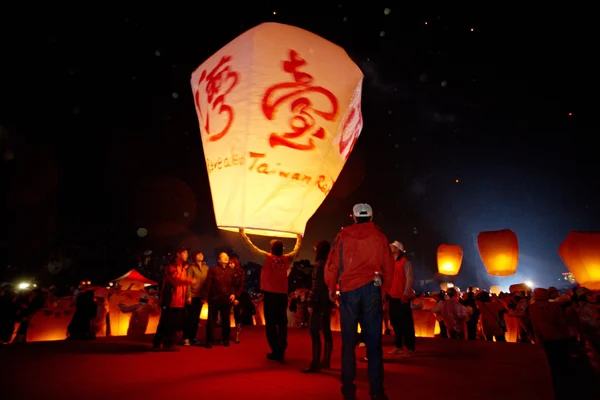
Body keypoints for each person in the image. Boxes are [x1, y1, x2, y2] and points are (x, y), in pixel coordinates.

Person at [324, 203, 394, 400]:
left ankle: (348, 390)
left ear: (354, 217)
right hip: (372, 288)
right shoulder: (380, 237)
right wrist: (384, 291)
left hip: (349, 291)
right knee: (373, 343)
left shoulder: (343, 236)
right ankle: (377, 392)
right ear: (371, 217)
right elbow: (389, 268)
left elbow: (332, 264)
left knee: (348, 343)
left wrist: (331, 287)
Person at [239, 228, 302, 362]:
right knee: (282, 322)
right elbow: (297, 251)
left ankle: (276, 350)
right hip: (282, 296)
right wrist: (299, 238)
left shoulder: (265, 258)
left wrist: (243, 234)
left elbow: (251, 247)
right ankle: (281, 346)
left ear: (272, 249)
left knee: (271, 324)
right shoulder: (287, 259)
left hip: (270, 296)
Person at [152, 247, 195, 351]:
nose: (186, 255)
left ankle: (167, 343)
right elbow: (175, 280)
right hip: (170, 299)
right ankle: (158, 343)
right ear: (178, 254)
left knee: (173, 323)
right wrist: (189, 280)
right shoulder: (171, 266)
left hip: (179, 301)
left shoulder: (183, 267)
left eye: (187, 253)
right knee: (165, 322)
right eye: (184, 253)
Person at [302, 240, 334, 373]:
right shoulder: (330, 264)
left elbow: (316, 286)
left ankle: (315, 362)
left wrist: (311, 303)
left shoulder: (319, 265)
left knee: (313, 330)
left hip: (319, 302)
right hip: (327, 301)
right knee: (326, 331)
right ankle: (326, 359)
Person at [387, 241, 416, 357]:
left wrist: (405, 293)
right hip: (393, 297)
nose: (391, 248)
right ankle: (398, 346)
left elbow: (409, 279)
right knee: (395, 323)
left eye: (393, 247)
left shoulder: (406, 262)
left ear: (398, 249)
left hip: (402, 297)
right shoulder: (390, 263)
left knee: (406, 323)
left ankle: (410, 348)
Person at [204, 252, 236, 348]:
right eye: (224, 257)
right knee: (211, 320)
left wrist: (233, 294)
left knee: (226, 320)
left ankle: (225, 339)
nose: (226, 258)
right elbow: (208, 283)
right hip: (214, 298)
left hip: (226, 299)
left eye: (227, 257)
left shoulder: (231, 271)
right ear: (218, 260)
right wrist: (205, 296)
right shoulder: (213, 270)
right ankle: (209, 340)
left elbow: (233, 284)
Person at [182, 251, 209, 346]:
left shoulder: (206, 268)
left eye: (202, 254)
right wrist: (188, 296)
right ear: (194, 256)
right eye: (198, 254)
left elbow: (208, 282)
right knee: (190, 318)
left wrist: (206, 296)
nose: (201, 255)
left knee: (196, 318)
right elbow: (188, 282)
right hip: (192, 296)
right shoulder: (191, 267)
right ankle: (186, 338)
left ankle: (193, 338)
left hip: (201, 296)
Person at [229, 255, 246, 344]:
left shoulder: (241, 272)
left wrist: (236, 296)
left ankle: (237, 334)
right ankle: (226, 333)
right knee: (226, 314)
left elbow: (242, 285)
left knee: (238, 315)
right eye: (229, 263)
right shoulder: (227, 272)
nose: (230, 265)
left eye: (232, 263)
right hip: (228, 296)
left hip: (238, 296)